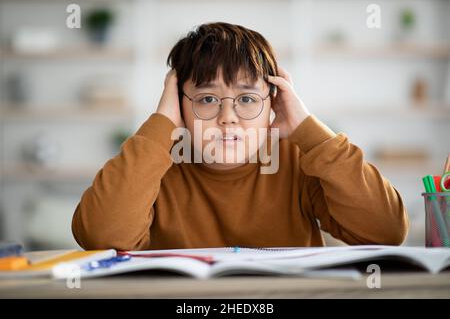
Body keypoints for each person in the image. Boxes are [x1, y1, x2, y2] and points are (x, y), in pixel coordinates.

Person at [72, 22, 408, 250]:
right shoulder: (155, 163)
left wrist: (310, 131)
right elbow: (100, 235)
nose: (227, 118)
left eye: (247, 99)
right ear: (178, 104)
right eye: (207, 99)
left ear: (273, 102)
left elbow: (386, 230)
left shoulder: (298, 158)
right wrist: (162, 123)